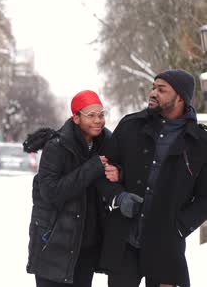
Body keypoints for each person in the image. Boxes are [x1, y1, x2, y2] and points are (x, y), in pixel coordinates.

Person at [97, 69, 207, 287]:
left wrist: (180, 227)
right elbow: (101, 171)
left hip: (166, 248)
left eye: (161, 89)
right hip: (125, 244)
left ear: (180, 97)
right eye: (153, 87)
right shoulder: (130, 126)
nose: (153, 93)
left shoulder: (200, 142)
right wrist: (119, 198)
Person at [25, 90, 111, 287]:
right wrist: (91, 168)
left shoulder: (105, 144)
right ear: (76, 118)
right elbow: (50, 192)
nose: (98, 120)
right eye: (91, 115)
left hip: (86, 246)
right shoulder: (56, 147)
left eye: (101, 114)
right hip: (54, 244)